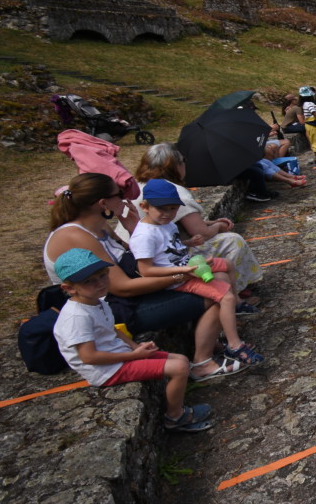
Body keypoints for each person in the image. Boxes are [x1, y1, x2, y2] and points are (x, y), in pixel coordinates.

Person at [43, 173, 243, 382]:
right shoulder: (76, 236)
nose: (125, 199)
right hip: (114, 307)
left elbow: (133, 256)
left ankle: (215, 342)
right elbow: (122, 287)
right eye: (119, 194)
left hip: (123, 299)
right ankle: (202, 363)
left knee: (216, 276)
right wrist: (180, 276)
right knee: (216, 294)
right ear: (103, 203)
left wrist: (133, 228)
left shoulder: (98, 226)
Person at [51, 248, 211, 432]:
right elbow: (89, 357)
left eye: (103, 276)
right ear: (69, 288)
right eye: (89, 281)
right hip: (105, 370)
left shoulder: (97, 301)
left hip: (120, 355)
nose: (100, 283)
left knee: (181, 359)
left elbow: (110, 329)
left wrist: (136, 347)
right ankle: (175, 417)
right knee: (180, 368)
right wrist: (134, 355)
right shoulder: (76, 317)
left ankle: (178, 403)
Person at [129, 180, 265, 367]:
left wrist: (189, 243)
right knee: (225, 297)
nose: (168, 214)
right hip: (178, 279)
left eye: (173, 209)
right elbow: (145, 270)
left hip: (190, 266)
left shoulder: (166, 224)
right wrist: (183, 271)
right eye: (162, 209)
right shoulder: (144, 235)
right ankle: (235, 344)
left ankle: (237, 305)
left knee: (227, 265)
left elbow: (168, 248)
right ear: (144, 207)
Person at [124, 143, 265, 298]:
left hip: (133, 251)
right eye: (183, 161)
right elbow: (201, 233)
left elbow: (178, 222)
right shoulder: (172, 192)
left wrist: (210, 223)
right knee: (232, 240)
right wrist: (218, 225)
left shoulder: (137, 188)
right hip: (159, 256)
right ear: (176, 166)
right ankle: (235, 287)